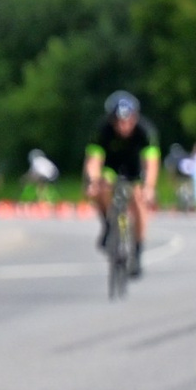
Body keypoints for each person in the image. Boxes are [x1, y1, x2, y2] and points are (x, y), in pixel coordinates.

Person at [83, 92, 161, 271]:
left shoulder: (145, 131)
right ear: (111, 119)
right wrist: (93, 181)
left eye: (128, 121)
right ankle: (108, 224)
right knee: (98, 188)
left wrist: (149, 187)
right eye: (118, 121)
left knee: (139, 200)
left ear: (135, 117)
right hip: (110, 167)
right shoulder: (102, 130)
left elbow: (151, 164)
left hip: (135, 168)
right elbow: (93, 160)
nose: (123, 126)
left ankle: (138, 251)